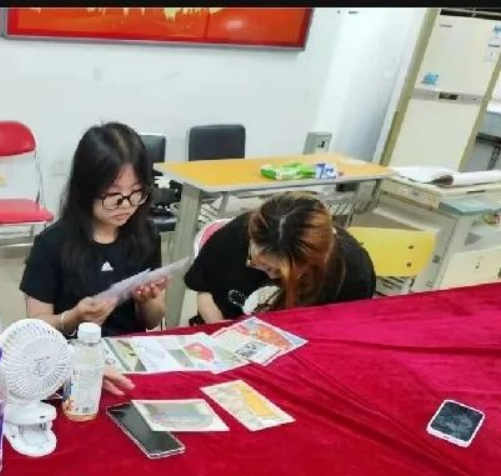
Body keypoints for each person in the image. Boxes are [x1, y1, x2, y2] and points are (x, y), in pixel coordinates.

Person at [20, 122, 168, 338]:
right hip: (70, 350)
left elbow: (153, 320)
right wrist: (72, 318)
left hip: (128, 349)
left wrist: (148, 301)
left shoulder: (146, 235)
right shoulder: (51, 243)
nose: (126, 205)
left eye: (136, 192)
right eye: (113, 194)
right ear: (86, 189)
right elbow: (34, 327)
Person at [184, 192, 377, 324]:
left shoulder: (351, 271)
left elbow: (342, 331)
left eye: (281, 272)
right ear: (251, 236)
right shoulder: (237, 234)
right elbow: (205, 289)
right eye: (261, 265)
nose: (271, 276)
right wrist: (220, 328)